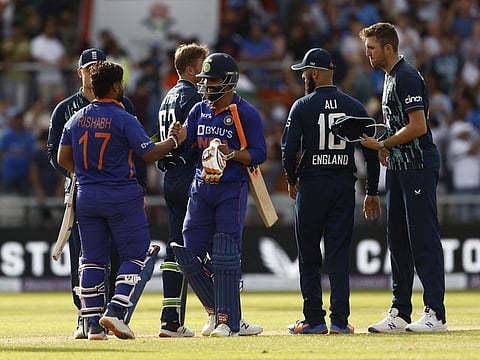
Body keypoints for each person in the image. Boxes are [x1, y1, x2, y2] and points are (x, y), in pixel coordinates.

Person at [57, 60, 186, 340]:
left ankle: (91, 325)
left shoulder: (75, 118)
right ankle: (116, 311)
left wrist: (90, 172)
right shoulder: (124, 117)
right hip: (120, 196)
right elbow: (149, 153)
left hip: (87, 196)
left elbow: (62, 159)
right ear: (116, 86)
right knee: (136, 253)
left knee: (90, 259)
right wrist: (175, 141)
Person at [47, 48, 149, 339]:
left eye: (97, 67)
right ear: (80, 73)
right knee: (85, 256)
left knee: (112, 256)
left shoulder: (123, 104)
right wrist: (79, 172)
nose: (92, 72)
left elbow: (134, 150)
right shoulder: (66, 108)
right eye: (87, 67)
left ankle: (109, 317)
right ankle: (87, 317)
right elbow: (53, 153)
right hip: (82, 189)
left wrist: (139, 186)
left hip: (114, 190)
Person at [281, 48, 381, 335]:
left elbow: (289, 149)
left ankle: (313, 319)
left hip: (311, 185)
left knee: (309, 253)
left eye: (304, 71)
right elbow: (371, 151)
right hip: (342, 185)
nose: (303, 76)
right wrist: (371, 190)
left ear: (314, 73)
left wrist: (291, 179)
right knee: (338, 253)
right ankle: (339, 320)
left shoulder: (302, 105)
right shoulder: (353, 105)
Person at [359, 22, 447, 332]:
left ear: (387, 48)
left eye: (371, 48)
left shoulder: (407, 76)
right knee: (397, 239)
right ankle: (400, 310)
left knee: (422, 238)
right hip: (398, 166)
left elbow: (418, 126)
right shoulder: (389, 77)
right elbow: (400, 125)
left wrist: (383, 143)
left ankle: (435, 313)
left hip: (418, 166)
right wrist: (386, 143)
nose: (367, 53)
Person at [172, 52, 265, 337]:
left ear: (229, 81)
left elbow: (259, 154)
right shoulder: (199, 109)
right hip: (201, 188)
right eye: (205, 80)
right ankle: (219, 313)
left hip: (230, 189)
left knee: (225, 253)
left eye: (212, 80)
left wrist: (232, 154)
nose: (207, 85)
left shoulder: (245, 112)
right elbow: (189, 149)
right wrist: (181, 138)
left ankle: (227, 321)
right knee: (189, 255)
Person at [156, 43, 208, 338]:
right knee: (212, 245)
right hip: (191, 175)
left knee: (175, 247)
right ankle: (221, 314)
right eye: (203, 66)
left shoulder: (167, 98)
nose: (207, 73)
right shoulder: (193, 97)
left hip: (170, 177)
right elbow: (197, 139)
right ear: (191, 69)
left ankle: (170, 319)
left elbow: (162, 136)